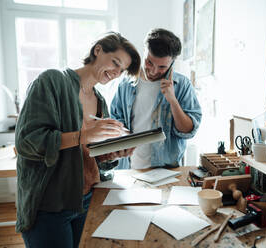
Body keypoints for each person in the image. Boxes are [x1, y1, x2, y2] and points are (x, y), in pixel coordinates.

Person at [15, 32, 141, 248]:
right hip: (50, 205)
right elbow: (27, 142)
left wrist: (112, 153)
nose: (116, 73)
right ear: (98, 50)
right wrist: (86, 134)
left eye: (122, 70)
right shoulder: (52, 81)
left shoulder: (100, 100)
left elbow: (88, 154)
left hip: (86, 200)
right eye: (115, 63)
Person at [110, 28, 202, 169]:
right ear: (144, 52)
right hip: (129, 167)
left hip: (166, 170)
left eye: (162, 67)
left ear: (172, 63)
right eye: (149, 62)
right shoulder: (125, 83)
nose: (153, 71)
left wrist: (172, 100)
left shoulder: (182, 85)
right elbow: (115, 119)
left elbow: (188, 131)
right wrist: (123, 134)